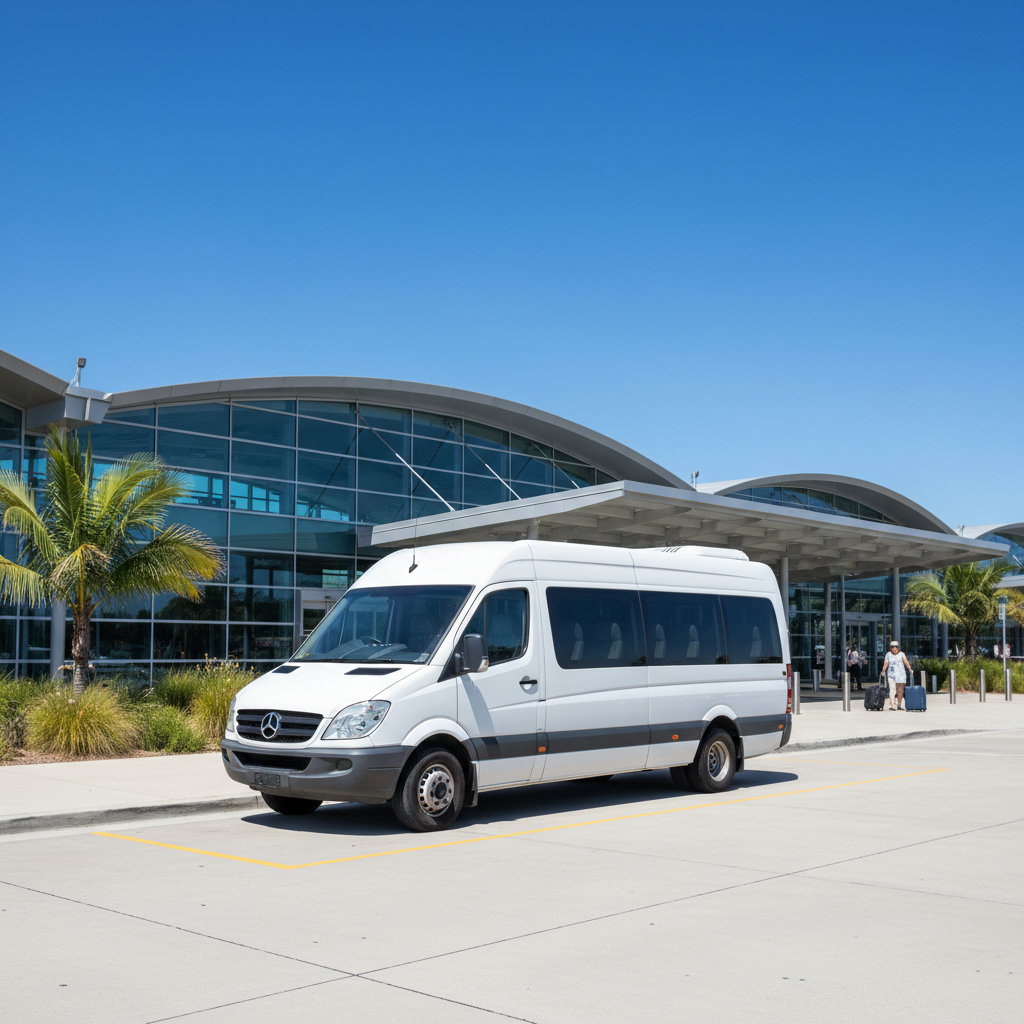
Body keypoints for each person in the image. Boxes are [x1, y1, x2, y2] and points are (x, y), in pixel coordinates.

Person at [882, 640, 912, 710]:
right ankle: (893, 704)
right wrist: (883, 671)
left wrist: (910, 669)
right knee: (892, 690)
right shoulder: (888, 654)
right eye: (892, 647)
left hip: (901, 675)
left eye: (896, 647)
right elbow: (886, 663)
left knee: (900, 690)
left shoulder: (901, 654)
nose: (894, 649)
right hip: (891, 675)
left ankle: (899, 704)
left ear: (898, 648)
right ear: (890, 648)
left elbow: (906, 662)